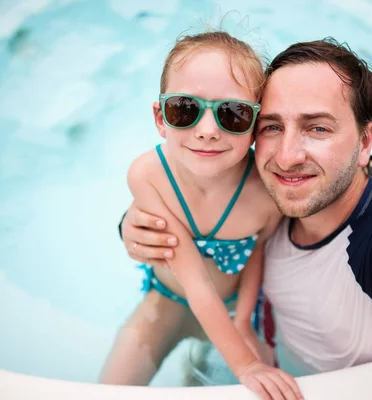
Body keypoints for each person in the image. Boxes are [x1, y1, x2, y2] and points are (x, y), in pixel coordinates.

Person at [120, 37, 372, 384]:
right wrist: (131, 224)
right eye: (272, 126)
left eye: (317, 127)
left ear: (365, 141)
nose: (286, 156)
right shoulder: (279, 195)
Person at [100, 31, 303, 400]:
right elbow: (193, 283)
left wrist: (242, 321)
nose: (207, 131)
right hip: (167, 300)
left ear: (256, 127)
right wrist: (246, 365)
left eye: (233, 114)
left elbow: (258, 252)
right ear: (160, 118)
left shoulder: (264, 191)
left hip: (234, 308)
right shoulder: (149, 176)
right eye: (184, 109)